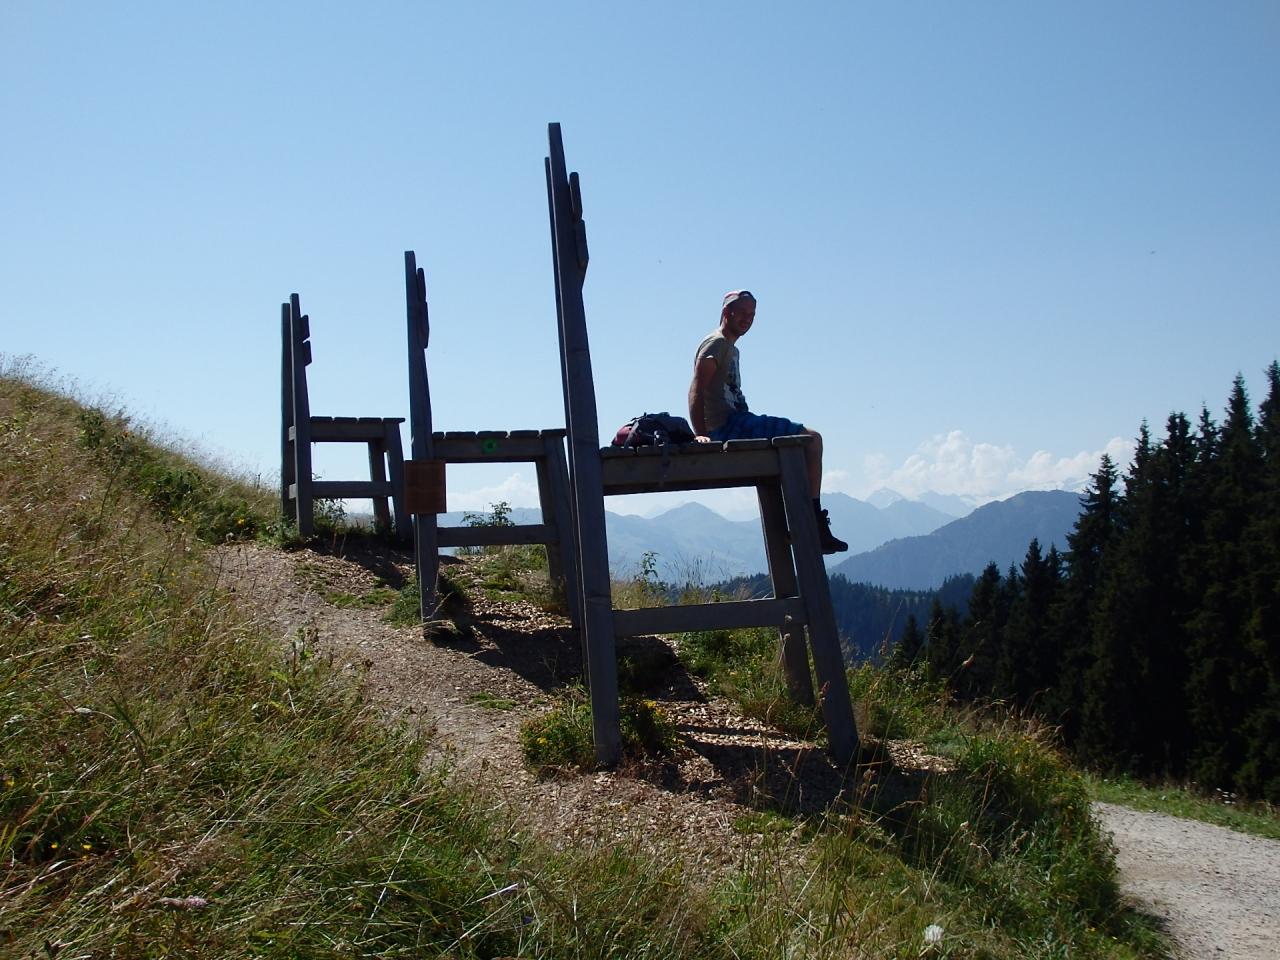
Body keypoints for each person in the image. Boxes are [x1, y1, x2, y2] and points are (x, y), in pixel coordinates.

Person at [688, 289, 849, 554]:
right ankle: (812, 524)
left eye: (752, 315)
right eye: (742, 313)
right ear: (727, 312)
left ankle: (804, 522)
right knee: (811, 440)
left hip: (738, 422)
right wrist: (701, 433)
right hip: (729, 427)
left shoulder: (729, 347)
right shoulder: (716, 344)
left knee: (804, 443)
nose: (747, 319)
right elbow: (697, 387)